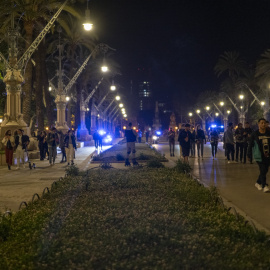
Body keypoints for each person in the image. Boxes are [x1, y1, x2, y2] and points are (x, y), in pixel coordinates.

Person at [248, 118, 270, 192]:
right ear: (258, 124)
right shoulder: (255, 134)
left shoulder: (268, 133)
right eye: (262, 123)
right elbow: (250, 145)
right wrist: (249, 155)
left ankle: (258, 182)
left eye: (264, 123)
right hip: (259, 155)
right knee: (263, 169)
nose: (263, 124)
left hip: (267, 155)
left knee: (265, 170)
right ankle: (264, 186)